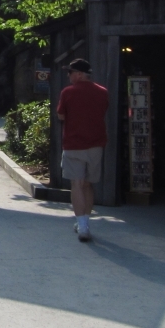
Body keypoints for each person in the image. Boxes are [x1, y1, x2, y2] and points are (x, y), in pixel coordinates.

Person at [56, 58, 109, 242]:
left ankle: (82, 226)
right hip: (96, 144)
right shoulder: (103, 93)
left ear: (78, 74)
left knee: (76, 184)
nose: (68, 76)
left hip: (73, 144)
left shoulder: (68, 92)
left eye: (70, 72)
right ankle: (85, 220)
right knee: (88, 185)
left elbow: (61, 115)